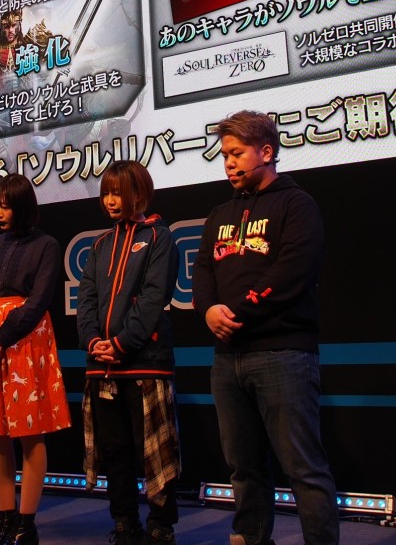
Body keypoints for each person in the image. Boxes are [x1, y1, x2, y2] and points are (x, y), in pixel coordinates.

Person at [193, 110, 339, 545]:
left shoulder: (297, 204)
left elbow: (292, 271)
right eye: (225, 155)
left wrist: (236, 312)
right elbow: (203, 271)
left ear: (267, 151)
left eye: (237, 154)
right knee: (244, 467)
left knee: (303, 468)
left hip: (283, 353)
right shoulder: (220, 213)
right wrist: (208, 310)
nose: (229, 163)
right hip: (228, 359)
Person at [0, 174, 70, 545]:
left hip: (24, 341)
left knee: (29, 433)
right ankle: (5, 517)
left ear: (23, 207)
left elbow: (38, 302)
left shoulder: (46, 245)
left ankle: (27, 522)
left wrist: (1, 338)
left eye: (6, 206)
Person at [76, 161, 181, 545]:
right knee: (115, 451)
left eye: (117, 192)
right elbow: (85, 301)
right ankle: (124, 522)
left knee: (155, 450)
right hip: (102, 368)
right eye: (106, 193)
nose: (110, 200)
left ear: (139, 193)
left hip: (144, 364)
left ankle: (161, 525)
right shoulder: (100, 244)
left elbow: (154, 299)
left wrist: (121, 344)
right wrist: (93, 343)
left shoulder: (159, 237)